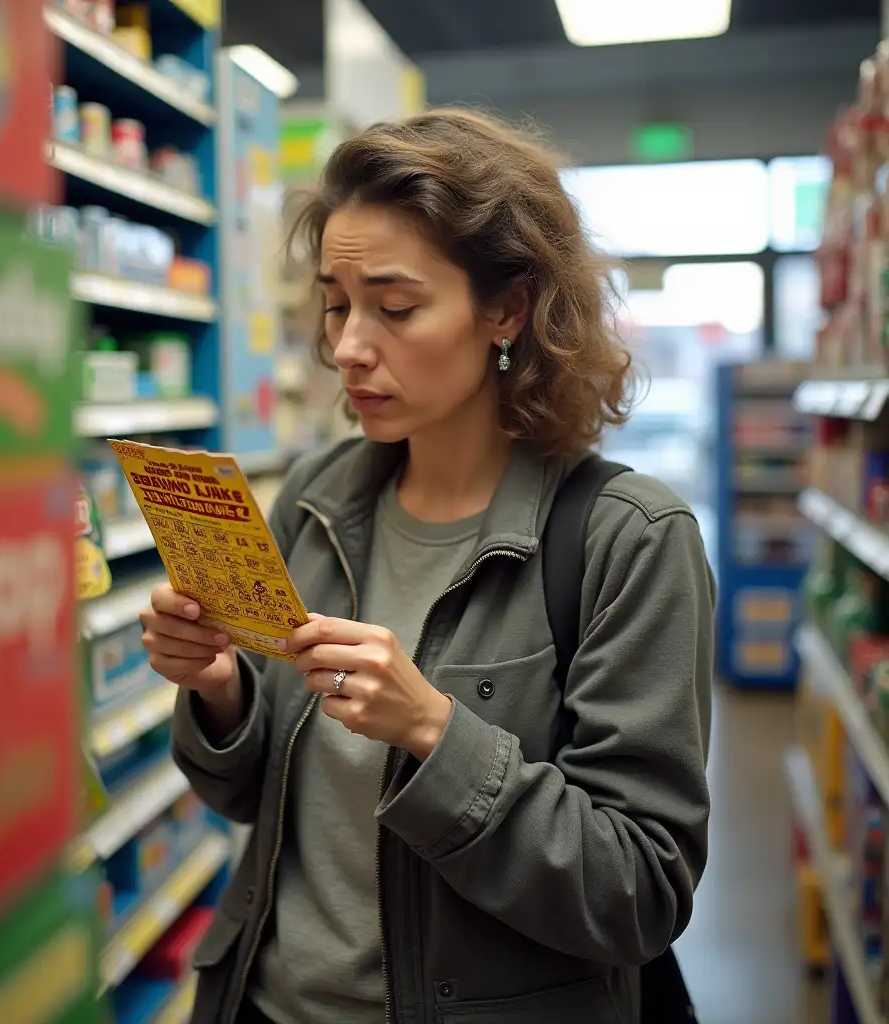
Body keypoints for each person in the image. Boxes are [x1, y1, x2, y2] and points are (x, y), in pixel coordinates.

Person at [142, 108, 714, 1024]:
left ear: (507, 310)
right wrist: (221, 690)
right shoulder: (317, 500)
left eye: (396, 307)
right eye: (335, 304)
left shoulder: (628, 539)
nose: (346, 347)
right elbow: (253, 798)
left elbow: (639, 889)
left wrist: (436, 736)